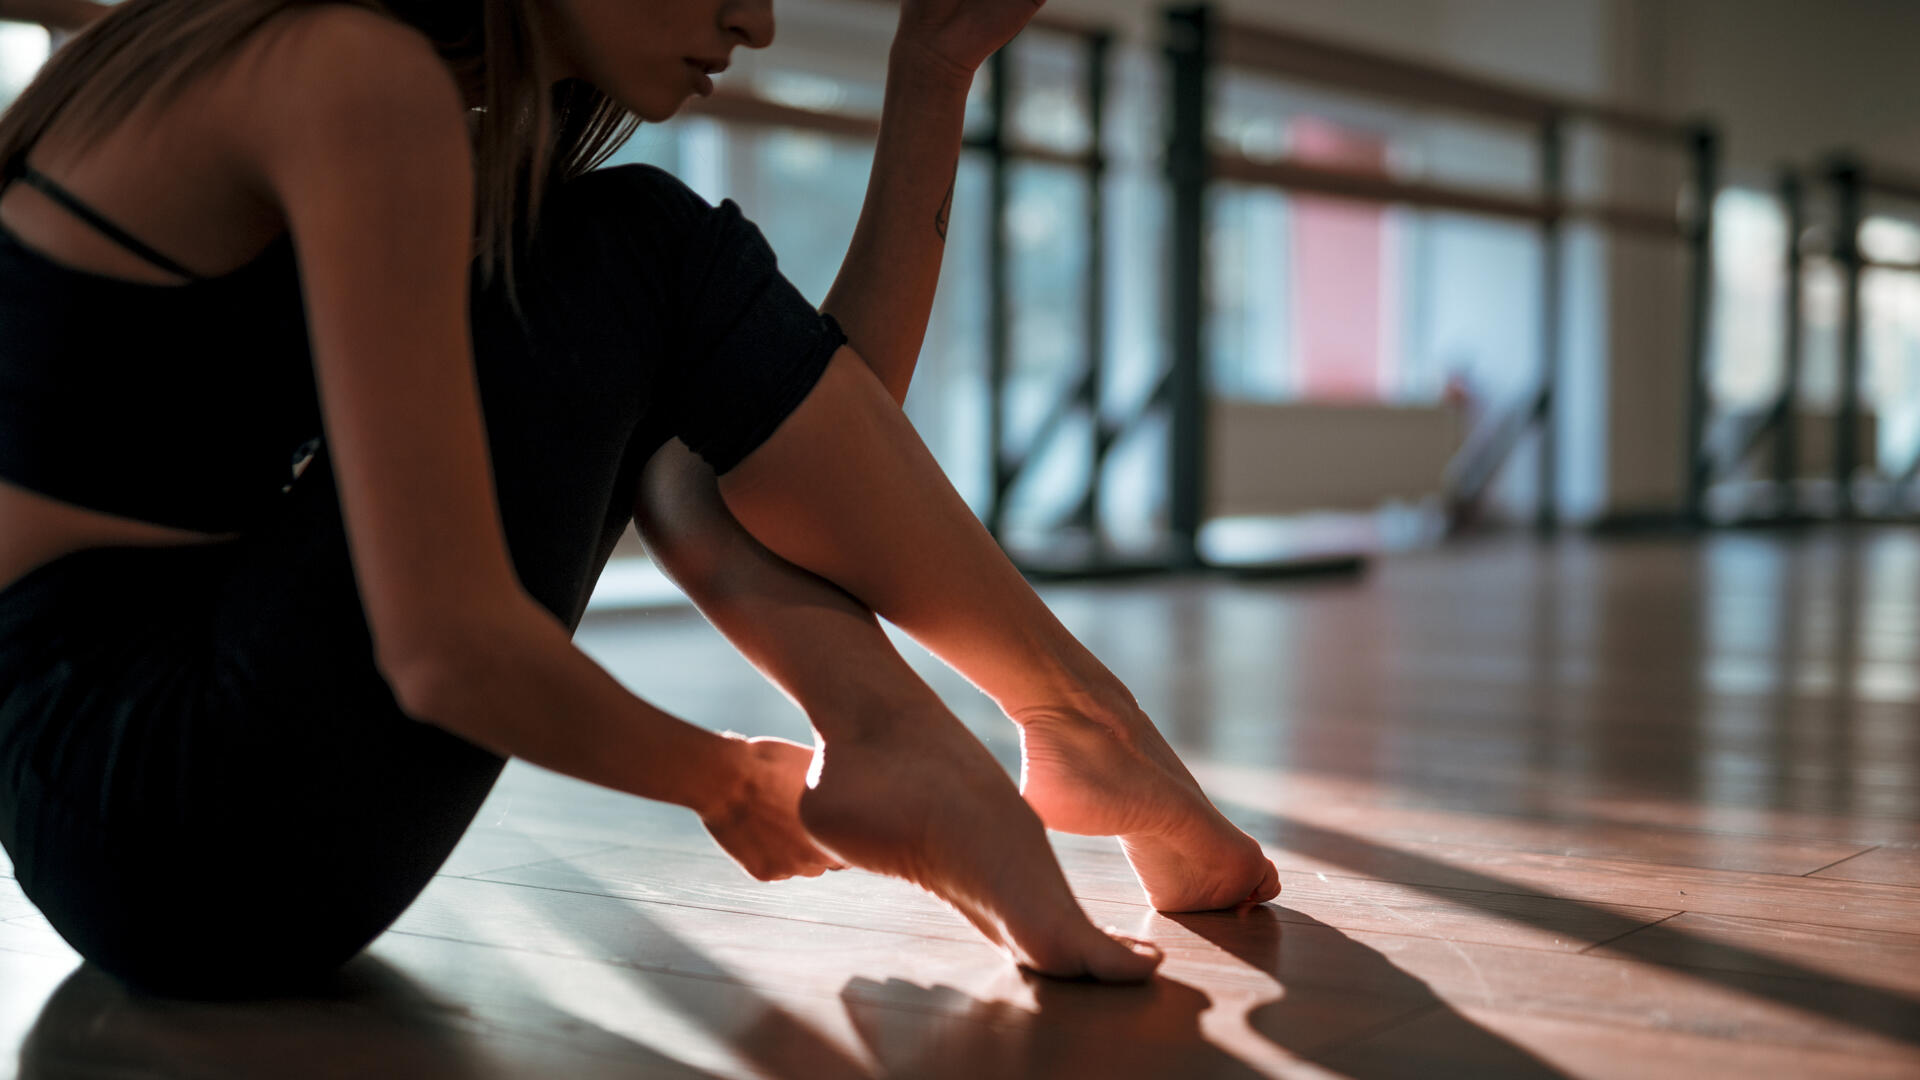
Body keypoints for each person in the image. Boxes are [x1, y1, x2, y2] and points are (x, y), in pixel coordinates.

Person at [0, 0, 1279, 998]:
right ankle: (1043, 726)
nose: (756, 21)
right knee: (641, 248)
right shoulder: (348, 77)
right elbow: (444, 647)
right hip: (172, 812)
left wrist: (933, 70)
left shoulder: (337, 71)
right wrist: (727, 783)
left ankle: (1018, 731)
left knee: (650, 309)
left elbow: (797, 454)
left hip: (123, 815)